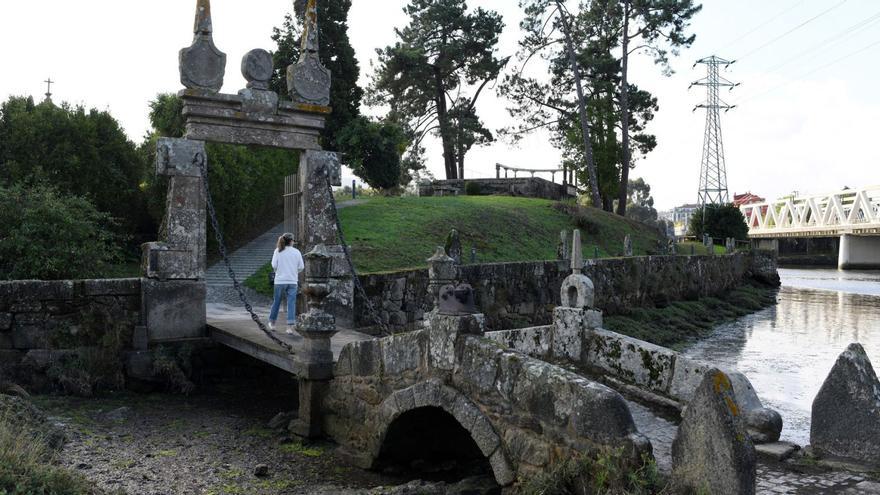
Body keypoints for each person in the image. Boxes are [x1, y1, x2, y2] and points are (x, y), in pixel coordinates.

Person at [268, 233, 304, 334]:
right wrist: (294, 272)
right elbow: (301, 267)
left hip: (279, 281)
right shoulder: (297, 252)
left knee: (277, 302)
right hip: (292, 281)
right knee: (291, 303)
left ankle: (272, 323)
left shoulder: (278, 251)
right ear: (291, 241)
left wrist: (278, 271)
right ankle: (289, 327)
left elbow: (274, 265)